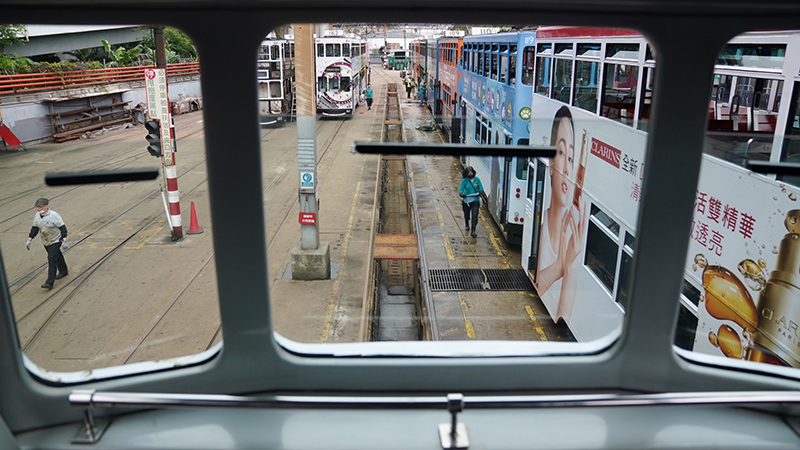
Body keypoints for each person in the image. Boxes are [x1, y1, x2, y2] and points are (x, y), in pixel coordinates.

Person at [536, 106, 587, 322]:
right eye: (561, 153)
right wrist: (559, 266)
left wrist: (566, 266)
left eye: (571, 158)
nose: (566, 169)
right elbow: (537, 286)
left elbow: (561, 319)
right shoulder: (540, 230)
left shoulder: (571, 256)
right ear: (550, 162)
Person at [26, 198, 69, 290]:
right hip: (45, 240)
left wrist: (64, 240)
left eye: (40, 207)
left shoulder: (54, 215)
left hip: (55, 240)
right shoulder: (37, 216)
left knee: (51, 259)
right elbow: (35, 228)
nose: (38, 209)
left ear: (46, 206)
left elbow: (62, 227)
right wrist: (30, 239)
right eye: (37, 207)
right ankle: (64, 271)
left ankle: (49, 282)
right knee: (57, 255)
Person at [459, 166, 484, 238]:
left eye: (471, 172)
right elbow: (461, 190)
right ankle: (467, 224)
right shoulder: (464, 181)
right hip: (466, 201)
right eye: (469, 173)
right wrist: (461, 194)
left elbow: (481, 188)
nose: (470, 174)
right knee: (466, 214)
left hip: (475, 201)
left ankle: (473, 230)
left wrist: (480, 192)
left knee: (475, 215)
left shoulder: (477, 180)